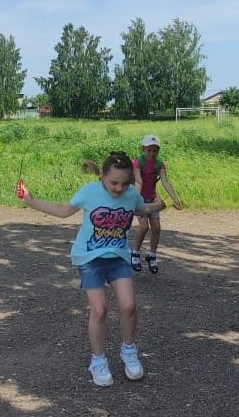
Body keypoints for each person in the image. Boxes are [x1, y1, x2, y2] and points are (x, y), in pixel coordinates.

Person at [18, 151, 164, 387]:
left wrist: (158, 204)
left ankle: (129, 351)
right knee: (100, 310)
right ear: (102, 177)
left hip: (117, 257)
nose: (119, 188)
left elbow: (140, 209)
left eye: (125, 183)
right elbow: (64, 211)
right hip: (89, 258)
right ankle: (98, 360)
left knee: (128, 305)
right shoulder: (89, 192)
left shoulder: (130, 195)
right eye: (113, 183)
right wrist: (30, 201)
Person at [130, 134, 183, 274]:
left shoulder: (160, 164)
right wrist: (135, 199)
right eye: (148, 150)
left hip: (152, 198)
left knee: (157, 228)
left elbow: (165, 182)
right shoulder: (137, 162)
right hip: (140, 197)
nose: (151, 153)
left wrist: (175, 198)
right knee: (143, 226)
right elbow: (138, 181)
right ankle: (135, 253)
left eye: (155, 150)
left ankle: (151, 255)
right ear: (143, 149)